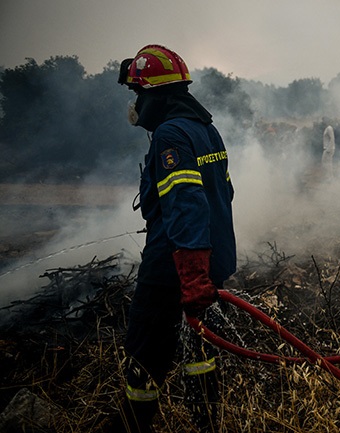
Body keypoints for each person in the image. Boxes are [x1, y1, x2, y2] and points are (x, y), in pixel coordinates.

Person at [113, 44, 237, 433]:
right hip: (210, 259)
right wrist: (205, 268)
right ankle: (207, 424)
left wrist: (190, 270)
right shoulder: (206, 129)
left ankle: (135, 424)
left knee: (144, 354)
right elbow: (225, 194)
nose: (136, 102)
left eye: (138, 93)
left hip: (175, 264)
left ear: (155, 95)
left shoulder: (170, 134)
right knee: (199, 351)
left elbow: (186, 204)